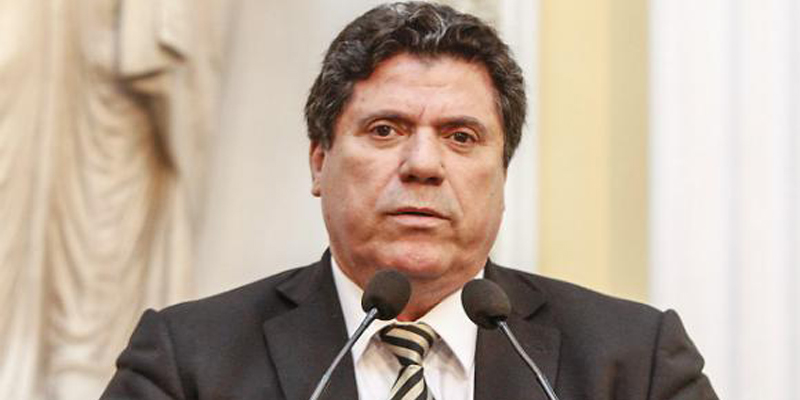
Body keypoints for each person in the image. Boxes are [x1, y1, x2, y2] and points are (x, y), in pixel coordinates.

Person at [101, 2, 718, 399]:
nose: (423, 165)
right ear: (319, 161)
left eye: (461, 137)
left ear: (502, 173)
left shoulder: (634, 364)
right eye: (385, 130)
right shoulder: (188, 363)